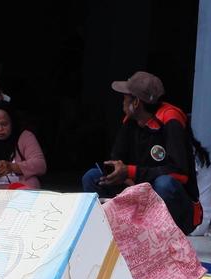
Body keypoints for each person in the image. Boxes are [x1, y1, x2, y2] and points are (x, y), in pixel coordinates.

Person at [82, 72, 199, 234]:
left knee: (165, 184)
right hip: (138, 193)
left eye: (125, 97)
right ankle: (106, 234)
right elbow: (118, 162)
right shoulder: (130, 121)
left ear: (136, 102)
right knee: (93, 177)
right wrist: (121, 174)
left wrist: (131, 173)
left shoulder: (171, 120)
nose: (122, 102)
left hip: (179, 207)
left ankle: (161, 237)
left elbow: (180, 174)